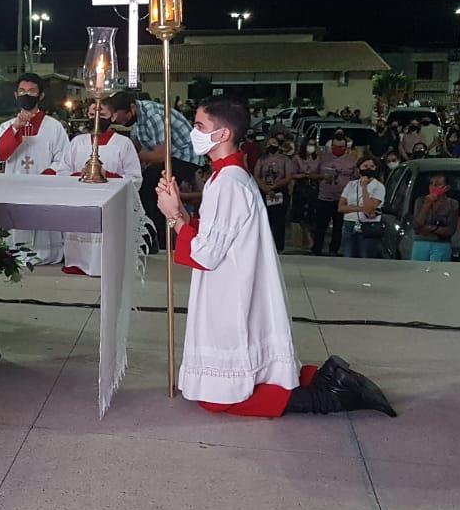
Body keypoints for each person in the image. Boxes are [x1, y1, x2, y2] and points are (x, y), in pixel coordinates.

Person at [155, 95, 395, 419]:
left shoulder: (228, 182)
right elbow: (217, 233)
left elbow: (207, 254)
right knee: (246, 379)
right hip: (230, 284)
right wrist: (182, 210)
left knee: (218, 397)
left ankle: (328, 397)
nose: (193, 133)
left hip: (229, 293)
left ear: (223, 134)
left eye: (199, 126)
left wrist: (174, 217)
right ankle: (328, 377)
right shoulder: (224, 176)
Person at [105, 90, 203, 253]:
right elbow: (136, 147)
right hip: (169, 158)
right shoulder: (136, 121)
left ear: (131, 109)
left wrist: (130, 156)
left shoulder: (153, 116)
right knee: (143, 184)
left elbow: (160, 155)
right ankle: (151, 235)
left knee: (150, 186)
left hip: (185, 157)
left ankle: (160, 240)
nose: (117, 120)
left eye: (119, 115)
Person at [52, 101, 143, 276]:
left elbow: (135, 178)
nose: (96, 119)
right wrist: (82, 175)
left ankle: (108, 264)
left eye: (102, 115)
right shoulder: (77, 142)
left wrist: (106, 175)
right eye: (93, 114)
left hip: (110, 205)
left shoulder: (123, 143)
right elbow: (62, 172)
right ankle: (78, 262)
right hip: (81, 203)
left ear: (113, 116)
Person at [0, 72, 69, 264]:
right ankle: (13, 253)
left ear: (41, 96)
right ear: (16, 95)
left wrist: (46, 176)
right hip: (15, 190)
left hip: (44, 190)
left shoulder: (54, 127)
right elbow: (0, 154)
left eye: (32, 91)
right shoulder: (7, 126)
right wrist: (16, 128)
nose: (26, 95)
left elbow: (65, 160)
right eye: (22, 91)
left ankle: (47, 252)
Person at [310, 129, 357, 256]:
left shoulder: (352, 161)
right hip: (324, 198)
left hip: (342, 199)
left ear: (346, 147)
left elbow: (356, 178)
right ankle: (317, 250)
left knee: (338, 227)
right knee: (320, 226)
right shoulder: (323, 158)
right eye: (335, 146)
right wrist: (323, 176)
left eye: (340, 147)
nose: (337, 149)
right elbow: (312, 174)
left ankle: (334, 250)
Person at [253, 134, 295, 252]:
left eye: (274, 143)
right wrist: (266, 188)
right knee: (266, 219)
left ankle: (278, 247)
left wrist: (275, 187)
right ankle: (265, 246)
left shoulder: (285, 160)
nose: (271, 146)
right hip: (264, 191)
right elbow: (256, 175)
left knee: (279, 220)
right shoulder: (262, 159)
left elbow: (288, 177)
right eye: (269, 143)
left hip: (280, 192)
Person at [337, 156, 385, 258]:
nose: (369, 169)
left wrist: (364, 187)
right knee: (348, 256)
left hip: (369, 226)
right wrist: (360, 208)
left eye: (372, 166)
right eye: (365, 166)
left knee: (365, 257)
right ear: (359, 169)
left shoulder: (379, 187)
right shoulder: (351, 184)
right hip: (349, 224)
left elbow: (369, 208)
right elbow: (341, 207)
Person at [411, 174, 458, 261]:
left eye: (438, 184)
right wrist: (427, 204)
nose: (433, 187)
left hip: (442, 243)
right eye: (431, 184)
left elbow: (450, 230)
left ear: (446, 187)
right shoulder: (420, 201)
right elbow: (416, 226)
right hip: (421, 242)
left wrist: (430, 228)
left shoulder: (452, 203)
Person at [288, 139, 318, 250]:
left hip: (313, 188)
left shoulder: (317, 158)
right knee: (299, 215)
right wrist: (301, 175)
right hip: (301, 188)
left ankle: (310, 238)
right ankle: (305, 239)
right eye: (309, 144)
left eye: (313, 145)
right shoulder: (297, 158)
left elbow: (320, 173)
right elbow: (292, 174)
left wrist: (313, 176)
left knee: (311, 214)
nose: (311, 147)